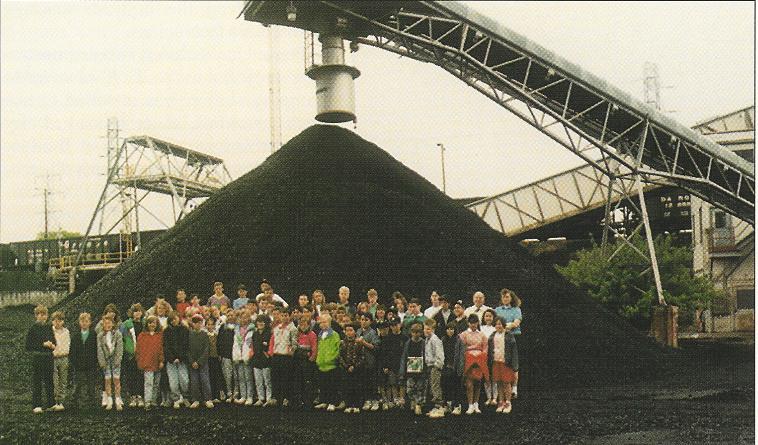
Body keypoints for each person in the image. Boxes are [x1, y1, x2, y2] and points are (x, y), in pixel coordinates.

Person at [456, 314, 488, 415]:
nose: (473, 325)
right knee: (469, 384)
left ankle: (476, 404)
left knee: (478, 382)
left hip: (479, 360)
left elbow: (485, 347)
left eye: (475, 323)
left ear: (478, 323)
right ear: (468, 323)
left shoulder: (482, 335)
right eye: (471, 323)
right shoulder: (463, 334)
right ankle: (470, 405)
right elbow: (462, 347)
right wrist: (469, 356)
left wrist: (481, 356)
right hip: (468, 360)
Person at [26, 304, 55, 413]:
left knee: (49, 381)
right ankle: (37, 405)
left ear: (47, 316)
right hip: (38, 357)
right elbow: (28, 346)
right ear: (36, 316)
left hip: (48, 357)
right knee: (37, 381)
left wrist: (52, 345)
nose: (42, 317)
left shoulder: (49, 328)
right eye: (39, 315)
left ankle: (51, 404)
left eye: (44, 315)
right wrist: (43, 344)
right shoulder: (32, 329)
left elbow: (54, 341)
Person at [495, 288, 522, 399]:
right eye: (503, 297)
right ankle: (503, 390)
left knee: (513, 363)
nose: (505, 299)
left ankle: (514, 388)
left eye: (507, 297)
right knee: (501, 362)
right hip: (500, 338)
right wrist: (504, 327)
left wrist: (505, 326)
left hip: (513, 337)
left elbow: (516, 323)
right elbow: (494, 322)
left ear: (511, 298)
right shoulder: (497, 309)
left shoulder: (516, 309)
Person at [269, 307, 298, 407]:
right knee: (275, 378)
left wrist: (291, 352)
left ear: (289, 316)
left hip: (286, 357)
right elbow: (274, 341)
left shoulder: (293, 328)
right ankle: (276, 397)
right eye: (282, 315)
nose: (284, 317)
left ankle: (287, 398)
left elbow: (294, 343)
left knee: (286, 378)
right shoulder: (276, 328)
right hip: (277, 355)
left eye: (286, 315)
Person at [488, 317, 518, 414]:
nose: (498, 326)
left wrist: (514, 365)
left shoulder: (509, 336)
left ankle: (508, 403)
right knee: (499, 382)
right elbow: (490, 351)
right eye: (496, 324)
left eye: (500, 324)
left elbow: (514, 352)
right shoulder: (492, 336)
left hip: (506, 363)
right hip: (496, 362)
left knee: (506, 383)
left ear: (504, 325)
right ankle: (501, 402)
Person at [69, 312, 98, 411]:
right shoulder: (75, 337)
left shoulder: (94, 336)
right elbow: (72, 352)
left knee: (91, 384)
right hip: (78, 365)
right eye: (82, 321)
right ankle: (74, 402)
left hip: (91, 365)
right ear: (79, 323)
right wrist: (75, 363)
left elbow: (96, 350)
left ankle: (92, 403)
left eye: (86, 321)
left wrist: (94, 362)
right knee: (78, 384)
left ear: (90, 323)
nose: (84, 323)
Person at [97, 314, 124, 411]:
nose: (107, 325)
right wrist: (102, 362)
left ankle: (117, 399)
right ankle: (109, 400)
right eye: (105, 323)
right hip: (106, 360)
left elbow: (120, 348)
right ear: (102, 325)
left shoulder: (118, 334)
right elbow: (99, 349)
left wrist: (118, 360)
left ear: (113, 324)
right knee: (107, 380)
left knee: (116, 380)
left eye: (110, 323)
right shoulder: (100, 336)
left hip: (115, 360)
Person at [163, 311, 190, 409]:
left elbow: (186, 345)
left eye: (176, 318)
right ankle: (176, 399)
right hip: (171, 361)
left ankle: (186, 397)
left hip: (182, 360)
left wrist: (180, 357)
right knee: (173, 382)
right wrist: (172, 358)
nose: (174, 321)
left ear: (179, 318)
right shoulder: (166, 331)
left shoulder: (184, 330)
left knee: (185, 381)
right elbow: (166, 346)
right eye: (172, 319)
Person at [136, 315, 164, 411]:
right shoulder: (142, 336)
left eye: (154, 323)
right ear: (146, 324)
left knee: (156, 383)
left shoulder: (159, 335)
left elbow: (161, 349)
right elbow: (138, 350)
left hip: (157, 362)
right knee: (148, 383)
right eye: (150, 322)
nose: (152, 324)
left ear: (157, 324)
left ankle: (153, 401)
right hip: (147, 363)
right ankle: (147, 402)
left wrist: (161, 360)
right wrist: (140, 363)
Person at [314, 313, 341, 412]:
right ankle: (324, 401)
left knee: (332, 385)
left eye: (324, 322)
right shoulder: (320, 335)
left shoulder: (334, 335)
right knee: (323, 384)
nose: (322, 324)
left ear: (329, 323)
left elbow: (337, 349)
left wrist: (332, 358)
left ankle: (332, 402)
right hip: (321, 365)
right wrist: (318, 359)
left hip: (331, 365)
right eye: (321, 322)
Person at [120, 303, 144, 408]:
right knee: (131, 375)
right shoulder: (126, 324)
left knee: (141, 375)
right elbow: (122, 339)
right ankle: (132, 396)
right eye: (135, 311)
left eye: (139, 311)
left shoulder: (144, 323)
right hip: (131, 354)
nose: (137, 313)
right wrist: (127, 350)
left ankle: (140, 396)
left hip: (142, 354)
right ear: (132, 313)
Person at [187, 314, 213, 408]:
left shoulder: (204, 334)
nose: (198, 325)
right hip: (192, 362)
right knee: (194, 381)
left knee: (205, 380)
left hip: (203, 362)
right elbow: (188, 350)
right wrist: (192, 361)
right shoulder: (189, 334)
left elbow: (207, 349)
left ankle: (208, 399)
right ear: (192, 324)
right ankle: (195, 399)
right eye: (196, 323)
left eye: (200, 323)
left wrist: (200, 361)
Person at [399, 322, 425, 416]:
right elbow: (404, 357)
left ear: (421, 333)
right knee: (410, 388)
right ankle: (413, 401)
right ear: (411, 332)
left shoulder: (423, 343)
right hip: (410, 369)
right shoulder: (408, 343)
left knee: (420, 388)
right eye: (414, 332)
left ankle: (418, 404)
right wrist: (402, 371)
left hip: (421, 369)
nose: (416, 334)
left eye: (418, 332)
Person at [356, 312, 380, 411]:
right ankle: (366, 400)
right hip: (359, 361)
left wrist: (363, 343)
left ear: (370, 321)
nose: (364, 322)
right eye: (362, 319)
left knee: (371, 381)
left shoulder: (373, 332)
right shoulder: (357, 331)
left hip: (369, 360)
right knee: (363, 381)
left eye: (366, 320)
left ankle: (373, 400)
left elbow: (375, 347)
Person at [339, 322, 365, 413]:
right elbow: (340, 356)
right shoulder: (342, 343)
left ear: (355, 331)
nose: (349, 332)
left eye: (351, 330)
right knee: (347, 387)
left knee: (357, 386)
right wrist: (346, 366)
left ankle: (357, 405)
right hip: (346, 369)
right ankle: (349, 404)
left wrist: (354, 366)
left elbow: (362, 357)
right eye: (347, 330)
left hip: (357, 369)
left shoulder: (359, 342)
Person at [422, 318, 446, 418]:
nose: (426, 331)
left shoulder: (435, 340)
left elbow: (440, 355)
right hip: (429, 366)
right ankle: (435, 407)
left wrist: (437, 366)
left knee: (436, 387)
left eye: (429, 329)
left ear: (433, 329)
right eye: (425, 329)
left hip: (435, 367)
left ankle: (439, 408)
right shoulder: (427, 340)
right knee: (432, 387)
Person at [293, 313, 317, 409]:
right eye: (301, 324)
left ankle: (308, 401)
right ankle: (300, 400)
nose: (303, 326)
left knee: (307, 381)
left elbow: (314, 347)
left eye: (305, 324)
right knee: (299, 380)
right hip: (298, 359)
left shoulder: (312, 334)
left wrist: (312, 358)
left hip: (307, 361)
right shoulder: (297, 334)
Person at [233, 310, 255, 405]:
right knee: (241, 377)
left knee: (248, 377)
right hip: (239, 355)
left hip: (247, 355)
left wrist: (248, 354)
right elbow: (235, 343)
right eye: (242, 317)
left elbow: (251, 344)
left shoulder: (252, 329)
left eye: (246, 317)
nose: (243, 319)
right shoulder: (237, 329)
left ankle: (250, 397)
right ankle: (243, 396)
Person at [251, 314, 273, 407]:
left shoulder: (269, 333)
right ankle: (261, 398)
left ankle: (269, 398)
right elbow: (253, 345)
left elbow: (270, 347)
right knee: (258, 381)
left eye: (262, 321)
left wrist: (267, 355)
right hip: (256, 360)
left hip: (265, 360)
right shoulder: (255, 333)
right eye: (258, 321)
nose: (260, 323)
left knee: (267, 380)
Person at [51, 310, 70, 412]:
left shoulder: (66, 332)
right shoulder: (50, 331)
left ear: (63, 321)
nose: (57, 322)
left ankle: (61, 402)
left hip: (64, 358)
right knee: (54, 381)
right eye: (55, 320)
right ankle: (55, 401)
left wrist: (62, 353)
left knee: (63, 380)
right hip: (53, 358)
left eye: (59, 320)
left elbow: (67, 346)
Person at [442, 321, 463, 415]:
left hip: (456, 367)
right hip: (445, 366)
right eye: (448, 329)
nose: (449, 331)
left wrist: (460, 368)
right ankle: (447, 405)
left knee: (456, 387)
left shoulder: (459, 340)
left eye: (452, 329)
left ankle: (457, 406)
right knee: (446, 386)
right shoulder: (443, 339)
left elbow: (461, 355)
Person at [217, 310, 237, 402]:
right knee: (227, 376)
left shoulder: (238, 327)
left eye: (232, 315)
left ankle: (236, 393)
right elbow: (219, 341)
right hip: (226, 355)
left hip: (237, 355)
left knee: (237, 376)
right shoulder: (222, 327)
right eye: (228, 315)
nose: (230, 316)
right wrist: (220, 354)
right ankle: (229, 393)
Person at [480, 309, 498, 406]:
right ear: (483, 317)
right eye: (486, 316)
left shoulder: (496, 328)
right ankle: (488, 397)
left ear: (493, 317)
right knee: (486, 377)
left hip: (494, 354)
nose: (488, 318)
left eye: (490, 316)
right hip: (484, 355)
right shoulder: (481, 328)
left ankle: (495, 398)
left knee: (494, 377)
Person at [205, 316, 224, 403]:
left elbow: (219, 346)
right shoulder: (205, 335)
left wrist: (219, 354)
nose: (210, 326)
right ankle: (211, 395)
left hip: (215, 358)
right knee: (210, 376)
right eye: (208, 324)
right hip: (208, 358)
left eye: (212, 324)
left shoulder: (216, 335)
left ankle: (217, 395)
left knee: (217, 376)